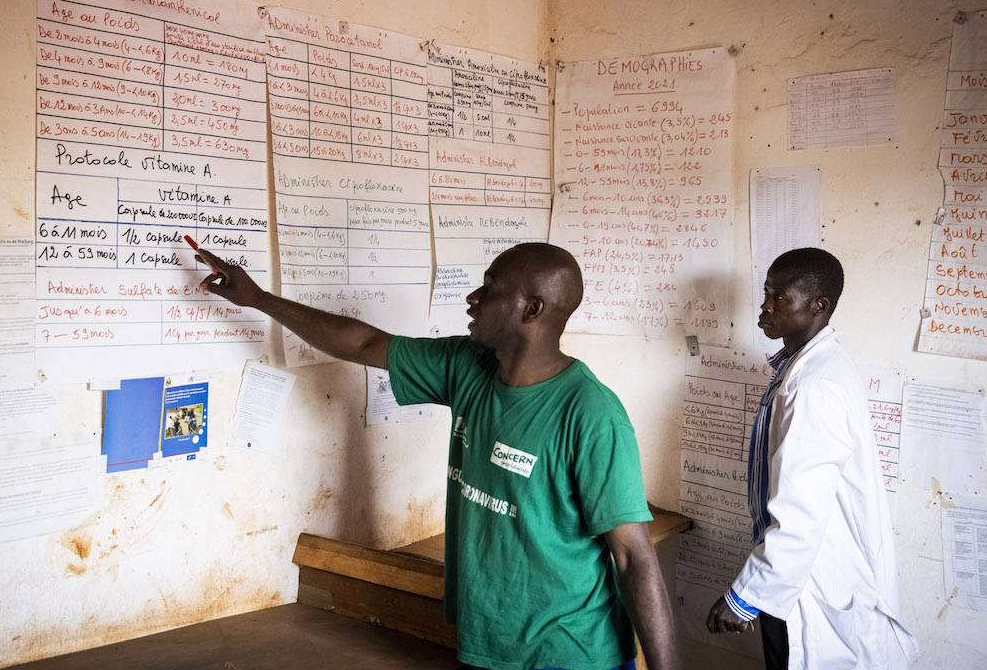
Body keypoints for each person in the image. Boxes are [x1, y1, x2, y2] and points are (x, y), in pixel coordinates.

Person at [192, 242, 678, 670]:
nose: (473, 298)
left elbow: (633, 556)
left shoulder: (591, 414)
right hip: (486, 642)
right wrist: (256, 299)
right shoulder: (467, 367)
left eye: (490, 288)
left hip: (571, 653)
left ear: (532, 309)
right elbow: (362, 342)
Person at [705, 248, 918, 669]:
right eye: (766, 293)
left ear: (819, 305)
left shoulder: (815, 385)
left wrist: (744, 598)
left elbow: (799, 514)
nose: (764, 306)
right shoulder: (802, 369)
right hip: (797, 578)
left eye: (779, 298)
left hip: (811, 584)